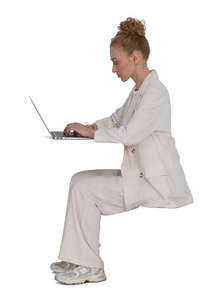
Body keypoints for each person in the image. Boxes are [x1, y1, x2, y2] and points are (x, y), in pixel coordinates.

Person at [50, 17, 194, 285]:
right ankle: (76, 257)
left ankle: (90, 267)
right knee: (79, 180)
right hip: (138, 174)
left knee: (86, 190)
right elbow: (117, 120)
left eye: (116, 61)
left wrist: (92, 134)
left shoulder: (156, 94)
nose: (113, 69)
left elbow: (131, 134)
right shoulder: (139, 91)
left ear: (135, 57)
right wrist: (89, 126)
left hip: (154, 183)